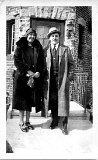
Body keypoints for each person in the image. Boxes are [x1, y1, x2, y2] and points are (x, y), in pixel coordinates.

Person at [43, 27, 75, 135]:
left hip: (62, 80)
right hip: (51, 80)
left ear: (59, 37)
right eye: (52, 36)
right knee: (53, 101)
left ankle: (65, 124)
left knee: (64, 101)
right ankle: (55, 120)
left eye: (56, 36)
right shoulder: (46, 50)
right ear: (49, 38)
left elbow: (71, 64)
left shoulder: (65, 49)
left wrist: (69, 77)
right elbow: (43, 66)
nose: (54, 38)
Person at [12, 28, 45, 132]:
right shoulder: (20, 46)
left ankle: (27, 121)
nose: (32, 36)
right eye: (30, 35)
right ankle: (21, 122)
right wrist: (28, 72)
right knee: (23, 101)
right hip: (22, 77)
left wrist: (38, 72)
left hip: (34, 78)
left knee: (30, 100)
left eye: (33, 35)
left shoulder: (38, 47)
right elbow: (17, 61)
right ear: (26, 36)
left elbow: (41, 61)